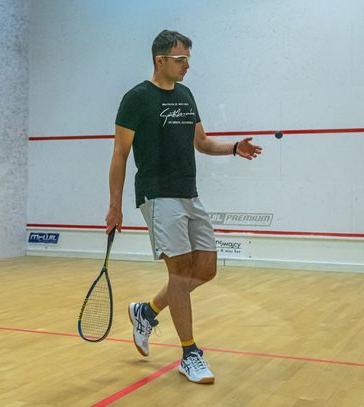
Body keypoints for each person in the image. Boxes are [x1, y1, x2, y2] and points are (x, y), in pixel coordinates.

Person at [105, 30, 262, 384]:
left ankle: (146, 312)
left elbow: (201, 142)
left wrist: (234, 148)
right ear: (159, 60)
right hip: (157, 195)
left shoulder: (186, 95)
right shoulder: (136, 98)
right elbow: (119, 154)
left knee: (205, 269)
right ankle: (190, 354)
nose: (186, 65)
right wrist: (115, 206)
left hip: (189, 193)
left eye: (188, 59)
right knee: (178, 273)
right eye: (180, 59)